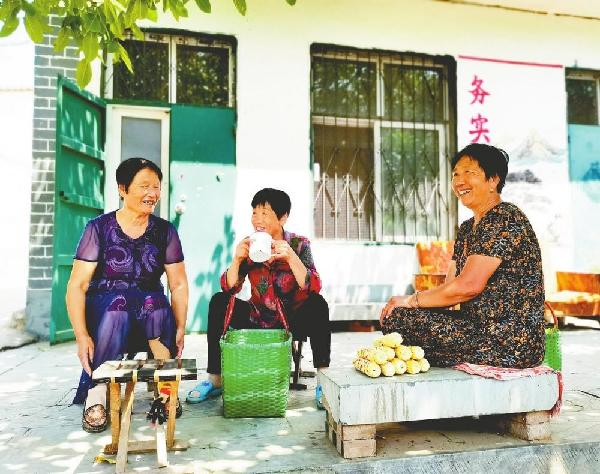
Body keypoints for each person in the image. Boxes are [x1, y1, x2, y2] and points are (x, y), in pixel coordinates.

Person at [380, 143, 545, 368]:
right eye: (455, 174)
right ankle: (437, 354)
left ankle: (439, 355)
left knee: (402, 318)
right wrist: (414, 309)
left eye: (469, 172)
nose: (459, 181)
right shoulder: (468, 228)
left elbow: (468, 286)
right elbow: (452, 287)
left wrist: (411, 300)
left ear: (493, 180)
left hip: (510, 341)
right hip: (476, 329)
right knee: (398, 316)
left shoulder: (505, 217)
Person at [67, 158, 188, 432]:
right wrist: (81, 335)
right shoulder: (98, 228)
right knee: (118, 306)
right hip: (107, 311)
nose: (152, 193)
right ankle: (98, 392)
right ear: (123, 189)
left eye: (156, 187)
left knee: (157, 306)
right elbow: (77, 286)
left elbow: (178, 284)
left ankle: (164, 386)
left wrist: (180, 326)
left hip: (148, 312)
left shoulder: (165, 231)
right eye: (144, 186)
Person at [186, 188, 331, 408]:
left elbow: (314, 286)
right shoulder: (250, 244)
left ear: (283, 217)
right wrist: (237, 260)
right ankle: (215, 380)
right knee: (219, 300)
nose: (257, 220)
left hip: (293, 318)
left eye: (265, 213)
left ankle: (324, 383)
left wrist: (291, 257)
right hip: (258, 316)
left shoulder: (299, 244)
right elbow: (229, 287)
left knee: (318, 304)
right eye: (254, 213)